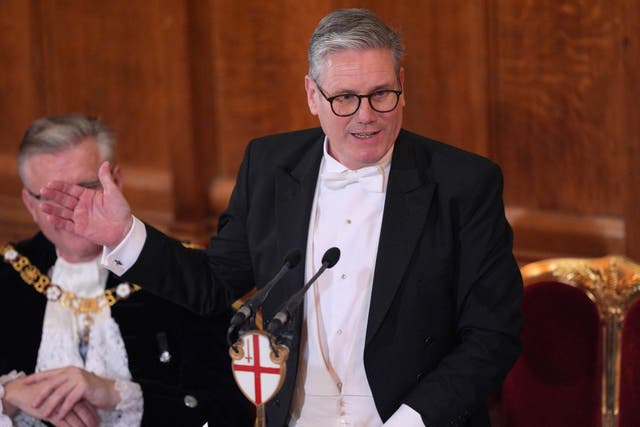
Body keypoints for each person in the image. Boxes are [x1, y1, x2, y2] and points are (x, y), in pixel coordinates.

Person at [39, 9, 523, 427]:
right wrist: (123, 235)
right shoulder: (269, 166)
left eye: (382, 94)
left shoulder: (465, 183)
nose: (366, 116)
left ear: (403, 87)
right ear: (312, 95)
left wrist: (410, 421)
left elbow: (492, 335)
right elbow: (214, 286)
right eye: (345, 97)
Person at [0, 114, 252, 427]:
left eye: (86, 189)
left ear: (115, 183)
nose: (71, 211)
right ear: (29, 203)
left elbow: (232, 409)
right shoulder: (7, 275)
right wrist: (7, 396)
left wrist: (117, 395)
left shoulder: (183, 278)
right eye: (52, 198)